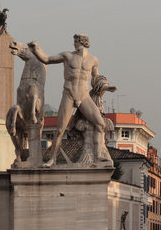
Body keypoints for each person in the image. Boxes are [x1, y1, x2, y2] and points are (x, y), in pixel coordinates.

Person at [30, 35, 107, 166]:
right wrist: (36, 49)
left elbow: (96, 78)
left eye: (76, 41)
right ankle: (52, 159)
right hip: (69, 94)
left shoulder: (93, 60)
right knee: (60, 129)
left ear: (84, 42)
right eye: (74, 41)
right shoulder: (67, 56)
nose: (74, 44)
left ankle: (98, 155)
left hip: (84, 96)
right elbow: (47, 59)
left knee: (100, 124)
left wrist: (106, 86)